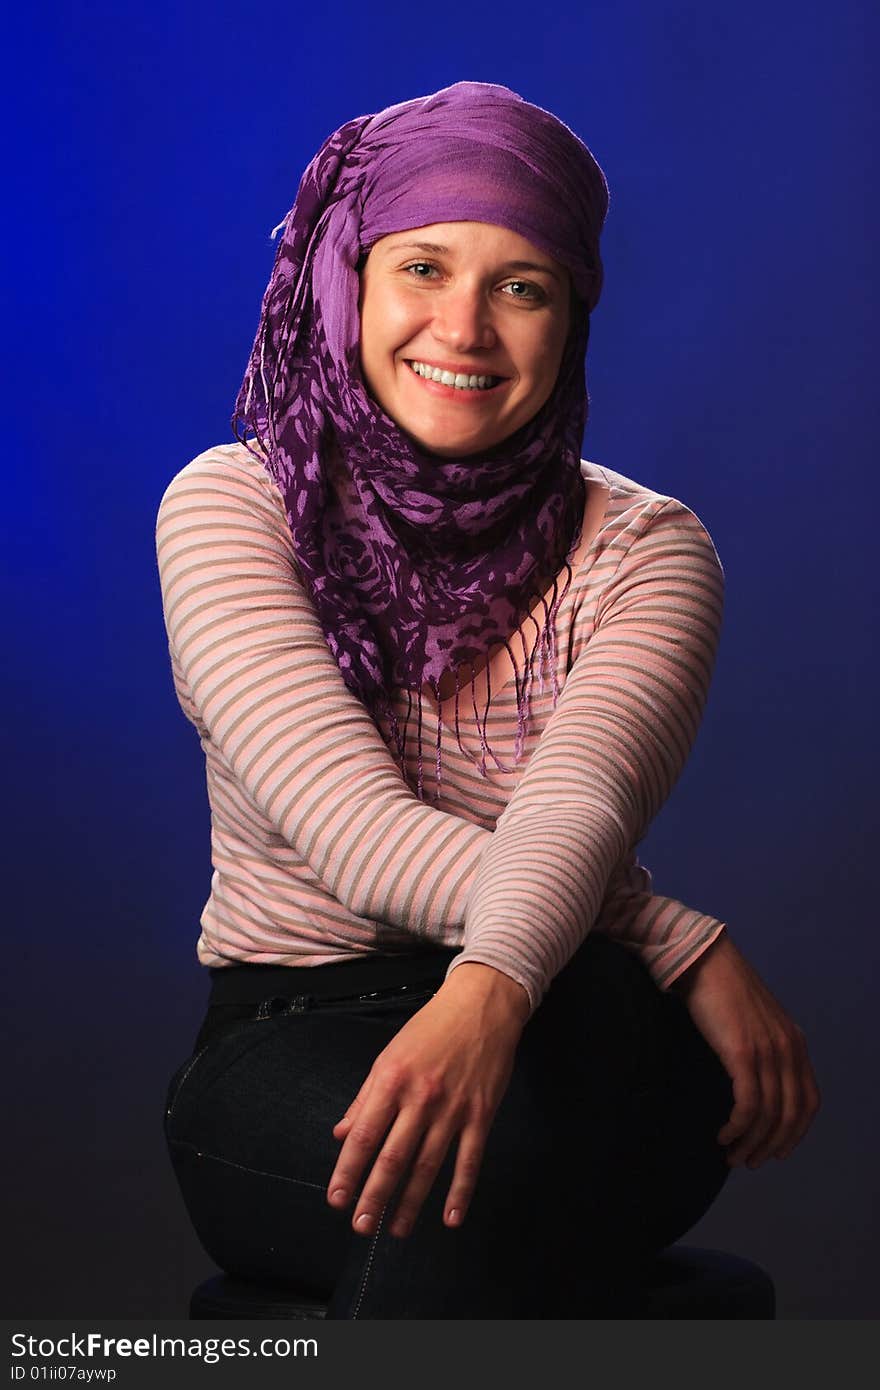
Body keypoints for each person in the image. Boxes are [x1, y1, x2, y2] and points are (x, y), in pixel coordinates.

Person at [156, 81, 819, 1319]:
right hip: (295, 1022)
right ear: (345, 279)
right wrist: (680, 937)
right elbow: (348, 830)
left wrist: (498, 984)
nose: (462, 328)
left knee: (540, 1133)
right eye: (420, 267)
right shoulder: (231, 506)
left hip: (587, 1017)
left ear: (573, 318)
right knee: (477, 1181)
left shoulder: (646, 552)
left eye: (522, 287)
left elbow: (580, 799)